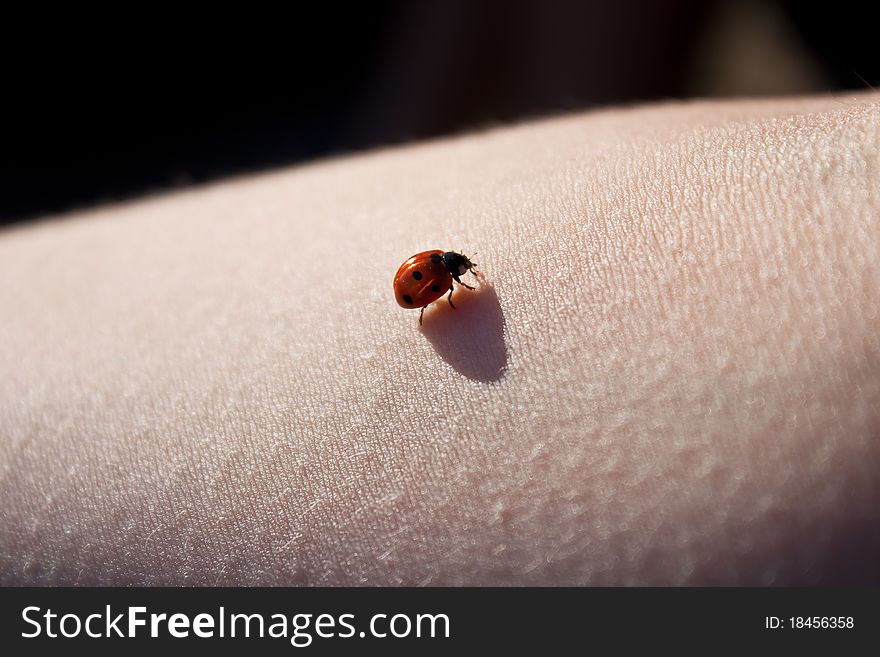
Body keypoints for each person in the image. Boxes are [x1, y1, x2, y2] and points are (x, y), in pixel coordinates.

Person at [0, 92, 877, 585]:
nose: (451, 281)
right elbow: (434, 292)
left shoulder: (441, 277)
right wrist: (443, 301)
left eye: (446, 278)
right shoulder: (441, 281)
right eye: (449, 279)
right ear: (445, 275)